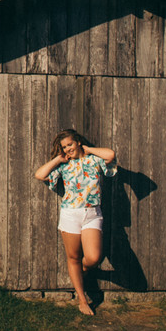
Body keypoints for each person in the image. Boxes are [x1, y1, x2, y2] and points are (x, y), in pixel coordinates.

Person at [34, 128, 116, 316]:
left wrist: (88, 149)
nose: (68, 149)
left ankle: (81, 271)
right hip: (71, 214)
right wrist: (58, 159)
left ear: (78, 142)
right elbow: (40, 175)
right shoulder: (63, 166)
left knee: (93, 258)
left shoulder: (93, 160)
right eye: (64, 147)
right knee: (73, 258)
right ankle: (81, 299)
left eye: (70, 144)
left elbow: (110, 155)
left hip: (92, 214)